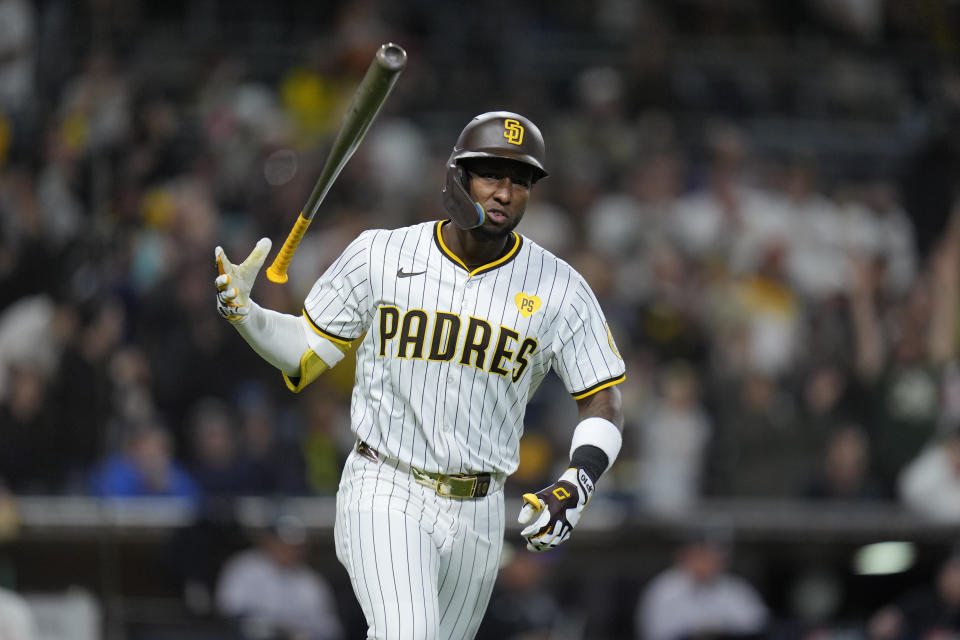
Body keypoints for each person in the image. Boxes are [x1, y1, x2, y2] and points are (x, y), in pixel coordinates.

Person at [214, 111, 626, 639]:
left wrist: (578, 482)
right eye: (490, 174)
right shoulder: (380, 253)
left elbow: (603, 398)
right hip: (387, 484)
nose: (505, 191)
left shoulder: (560, 287)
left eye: (519, 179)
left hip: (481, 509)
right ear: (457, 177)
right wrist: (248, 316)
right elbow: (303, 354)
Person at [635, 526, 768, 640]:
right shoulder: (664, 589)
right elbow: (655, 632)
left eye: (711, 558)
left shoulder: (735, 588)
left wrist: (716, 629)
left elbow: (756, 625)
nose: (705, 563)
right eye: (700, 556)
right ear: (685, 557)